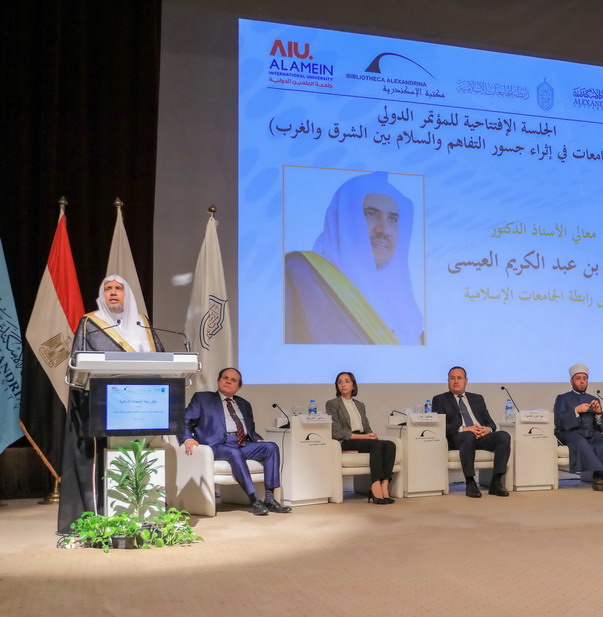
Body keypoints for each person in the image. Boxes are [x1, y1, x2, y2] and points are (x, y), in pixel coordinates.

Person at [58, 275, 164, 534]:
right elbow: (78, 363)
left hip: (142, 406)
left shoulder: (142, 323)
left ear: (127, 294)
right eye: (108, 289)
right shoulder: (91, 323)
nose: (113, 292)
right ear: (102, 294)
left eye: (118, 288)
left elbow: (161, 360)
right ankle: (99, 517)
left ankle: (144, 516)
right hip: (101, 405)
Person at [284, 171, 424, 345]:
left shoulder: (409, 315)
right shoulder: (299, 273)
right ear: (344, 219)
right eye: (370, 214)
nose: (384, 229)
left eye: (393, 219)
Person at [181, 367, 293, 515]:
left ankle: (269, 499)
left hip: (242, 443)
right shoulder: (203, 399)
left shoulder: (244, 404)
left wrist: (258, 439)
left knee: (271, 447)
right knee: (234, 453)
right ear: (218, 381)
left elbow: (250, 430)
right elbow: (183, 421)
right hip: (217, 446)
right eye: (225, 378)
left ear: (238, 387)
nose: (228, 381)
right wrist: (187, 438)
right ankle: (254, 500)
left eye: (233, 380)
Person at [431, 366, 510, 498]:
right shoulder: (440, 399)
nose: (456, 381)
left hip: (480, 436)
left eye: (459, 378)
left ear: (466, 381)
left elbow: (490, 423)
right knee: (469, 435)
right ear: (448, 381)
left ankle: (496, 482)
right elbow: (441, 425)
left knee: (503, 436)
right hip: (459, 438)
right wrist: (464, 428)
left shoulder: (477, 398)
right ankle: (470, 482)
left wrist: (487, 429)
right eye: (452, 378)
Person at [326, 371, 397, 504]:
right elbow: (336, 431)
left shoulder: (360, 405)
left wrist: (371, 434)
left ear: (353, 385)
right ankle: (375, 486)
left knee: (390, 445)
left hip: (362, 438)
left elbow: (366, 427)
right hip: (346, 440)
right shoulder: (332, 404)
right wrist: (363, 437)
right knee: (376, 445)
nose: (343, 384)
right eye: (339, 382)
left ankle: (384, 485)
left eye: (346, 381)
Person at [553, 363, 603, 491]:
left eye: (584, 378)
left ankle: (601, 479)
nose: (582, 381)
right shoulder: (562, 398)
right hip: (571, 434)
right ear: (571, 381)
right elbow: (559, 422)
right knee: (582, 443)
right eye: (578, 378)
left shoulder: (593, 399)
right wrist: (575, 410)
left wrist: (598, 414)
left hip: (591, 434)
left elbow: (602, 429)